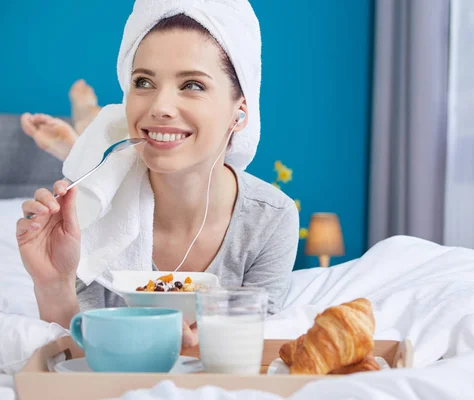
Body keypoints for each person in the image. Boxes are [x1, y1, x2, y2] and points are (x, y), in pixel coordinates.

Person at [15, 1, 299, 348]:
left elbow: (253, 352)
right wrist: (53, 284)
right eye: (144, 82)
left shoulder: (269, 220)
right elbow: (74, 359)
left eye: (192, 85)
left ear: (240, 110)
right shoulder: (91, 211)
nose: (159, 107)